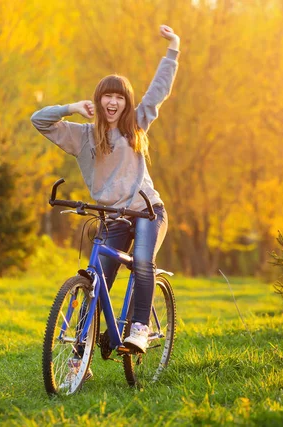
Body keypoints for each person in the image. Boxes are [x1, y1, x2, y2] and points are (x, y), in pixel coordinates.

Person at [31, 25, 180, 356]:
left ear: (126, 103)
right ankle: (79, 355)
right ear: (98, 100)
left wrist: (173, 48)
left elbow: (158, 91)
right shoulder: (82, 136)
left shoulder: (136, 125)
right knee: (97, 279)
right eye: (106, 96)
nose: (112, 102)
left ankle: (139, 328)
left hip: (146, 211)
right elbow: (39, 120)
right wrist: (71, 107)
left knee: (142, 260)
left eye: (119, 97)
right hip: (112, 217)